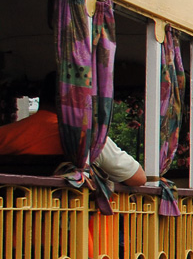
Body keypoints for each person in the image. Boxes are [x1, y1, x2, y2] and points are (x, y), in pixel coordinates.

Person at [0, 77, 145, 186]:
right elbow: (137, 178)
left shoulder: (4, 134)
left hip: (10, 218)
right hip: (68, 220)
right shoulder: (85, 137)